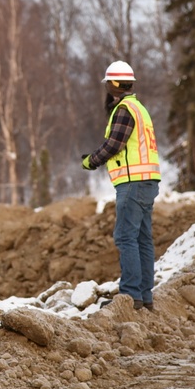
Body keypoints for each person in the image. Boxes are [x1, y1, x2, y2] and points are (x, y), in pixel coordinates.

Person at [81, 60, 161, 310]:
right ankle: (144, 297)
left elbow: (114, 144)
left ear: (113, 85)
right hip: (148, 181)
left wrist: (91, 161)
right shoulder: (139, 108)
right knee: (142, 239)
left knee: (126, 237)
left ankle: (130, 298)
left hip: (133, 183)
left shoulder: (124, 109)